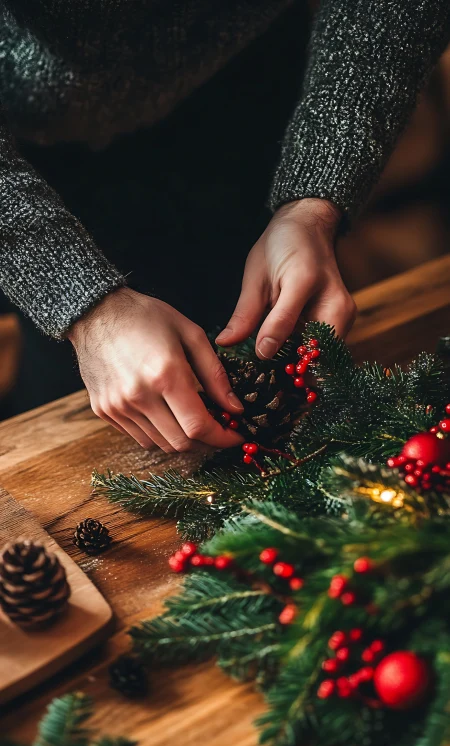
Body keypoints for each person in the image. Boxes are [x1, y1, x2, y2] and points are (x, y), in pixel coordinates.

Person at [0, 1, 449, 452]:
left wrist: (312, 203)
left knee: (269, 319)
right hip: (34, 154)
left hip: (249, 87)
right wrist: (78, 302)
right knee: (83, 401)